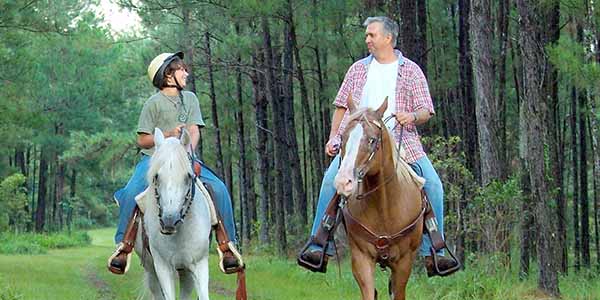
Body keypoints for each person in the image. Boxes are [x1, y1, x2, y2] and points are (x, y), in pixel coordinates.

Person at [298, 16, 459, 276]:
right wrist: (334, 137)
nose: (367, 40)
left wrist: (412, 116)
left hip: (402, 142)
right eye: (366, 36)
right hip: (360, 145)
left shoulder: (411, 70)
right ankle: (320, 245)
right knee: (330, 182)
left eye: (372, 35)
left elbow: (426, 110)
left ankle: (435, 250)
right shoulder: (358, 69)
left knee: (434, 186)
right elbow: (342, 107)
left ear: (388, 38)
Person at [108, 52, 243, 275]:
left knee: (219, 188)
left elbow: (193, 130)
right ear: (168, 74)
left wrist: (186, 153)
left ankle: (227, 245)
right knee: (132, 191)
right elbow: (142, 139)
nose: (186, 73)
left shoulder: (190, 99)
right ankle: (123, 245)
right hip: (154, 159)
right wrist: (168, 134)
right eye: (181, 69)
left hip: (185, 158)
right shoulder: (152, 104)